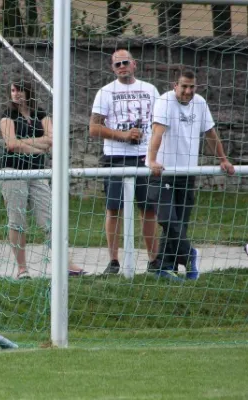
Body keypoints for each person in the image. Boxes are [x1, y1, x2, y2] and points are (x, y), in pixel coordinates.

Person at [147, 69, 235, 280]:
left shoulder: (200, 103)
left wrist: (223, 158)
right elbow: (157, 132)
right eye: (183, 86)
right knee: (168, 220)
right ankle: (190, 254)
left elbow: (211, 134)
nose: (187, 91)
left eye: (191, 87)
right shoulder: (164, 101)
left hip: (188, 173)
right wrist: (151, 159)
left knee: (180, 223)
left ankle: (165, 267)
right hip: (163, 172)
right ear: (174, 85)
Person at [0, 80, 86, 279]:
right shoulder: (7, 116)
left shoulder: (41, 114)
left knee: (49, 217)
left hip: (38, 172)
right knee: (17, 219)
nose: (16, 94)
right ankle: (22, 268)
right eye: (13, 90)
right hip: (13, 170)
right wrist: (39, 146)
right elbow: (11, 144)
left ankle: (66, 263)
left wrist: (26, 144)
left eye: (20, 90)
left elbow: (53, 140)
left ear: (28, 92)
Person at [89, 49, 160, 275]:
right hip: (115, 157)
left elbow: (160, 123)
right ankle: (113, 261)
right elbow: (94, 127)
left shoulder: (150, 90)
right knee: (113, 208)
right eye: (117, 64)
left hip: (144, 157)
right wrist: (124, 135)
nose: (122, 66)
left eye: (125, 62)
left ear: (134, 64)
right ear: (112, 68)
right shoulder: (105, 92)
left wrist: (156, 153)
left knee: (148, 210)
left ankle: (154, 260)